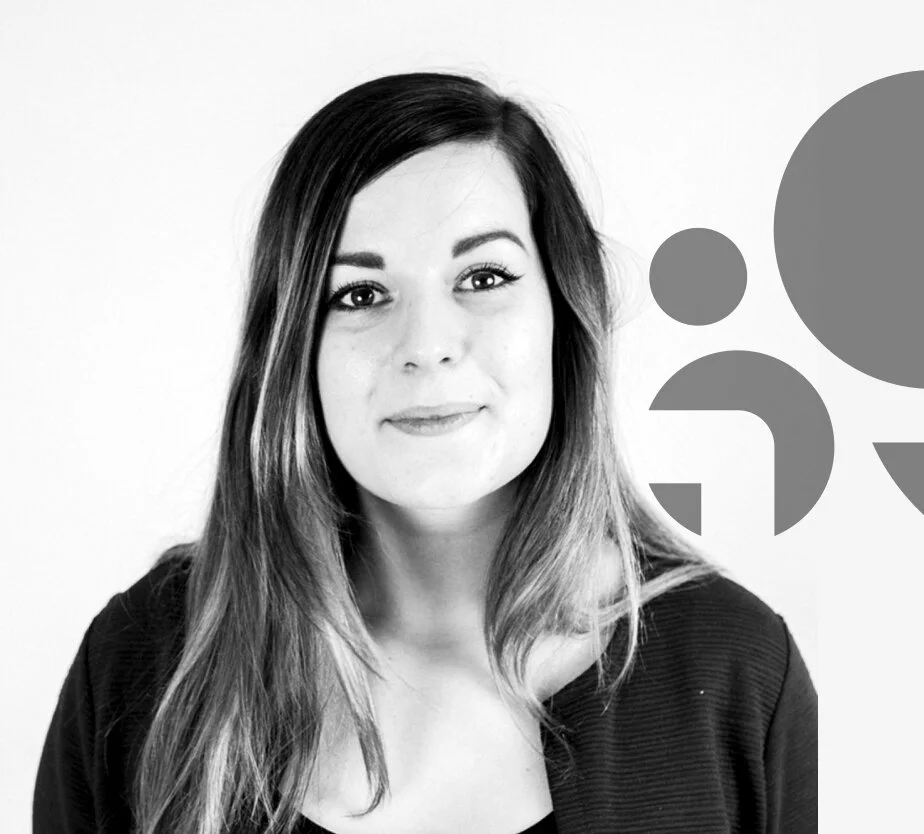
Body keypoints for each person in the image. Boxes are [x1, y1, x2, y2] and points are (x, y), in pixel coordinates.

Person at [33, 71, 817, 833]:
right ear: (292, 349)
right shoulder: (142, 664)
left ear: (564, 312)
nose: (428, 344)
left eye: (483, 276)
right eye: (361, 294)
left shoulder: (737, 670)